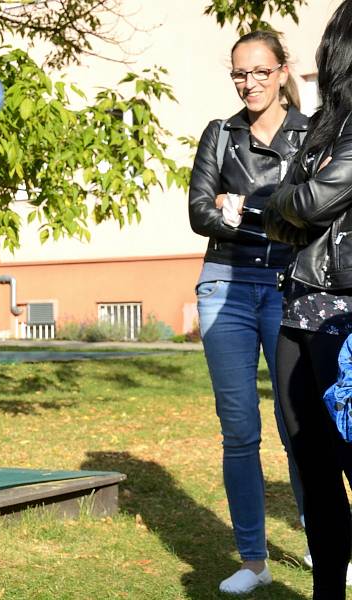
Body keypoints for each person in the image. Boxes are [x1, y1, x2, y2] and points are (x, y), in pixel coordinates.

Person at [188, 30, 308, 594]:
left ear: (283, 71)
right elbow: (198, 209)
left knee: (298, 425)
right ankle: (253, 561)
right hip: (226, 286)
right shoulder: (220, 134)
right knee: (239, 432)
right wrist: (227, 215)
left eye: (260, 71)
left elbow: (317, 208)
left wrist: (242, 209)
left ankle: (322, 540)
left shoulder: (311, 135)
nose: (249, 83)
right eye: (240, 73)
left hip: (289, 286)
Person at [263, 2, 352, 597]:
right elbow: (290, 212)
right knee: (313, 467)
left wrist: (278, 201)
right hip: (297, 305)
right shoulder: (323, 125)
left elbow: (311, 202)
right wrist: (285, 203)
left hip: (344, 316)